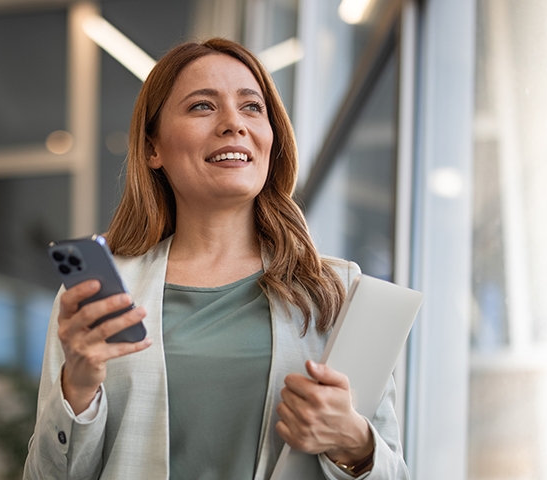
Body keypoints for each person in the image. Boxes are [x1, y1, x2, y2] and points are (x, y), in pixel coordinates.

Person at [22, 38, 407, 480]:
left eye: (252, 107)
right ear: (152, 149)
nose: (234, 124)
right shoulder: (98, 300)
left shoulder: (336, 291)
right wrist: (78, 388)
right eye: (202, 106)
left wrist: (354, 443)